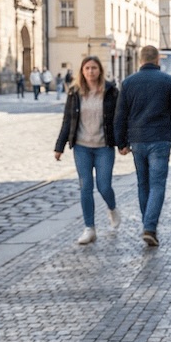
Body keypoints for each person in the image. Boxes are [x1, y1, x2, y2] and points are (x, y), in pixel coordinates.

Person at [115, 45, 171, 247]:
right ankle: (150, 227)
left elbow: (120, 115)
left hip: (137, 140)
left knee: (143, 183)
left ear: (140, 60)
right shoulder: (167, 80)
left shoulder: (128, 82)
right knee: (157, 184)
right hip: (160, 139)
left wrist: (121, 141)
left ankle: (148, 224)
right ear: (157, 60)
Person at [55, 56, 121, 245]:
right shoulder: (75, 92)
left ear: (99, 70)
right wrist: (59, 147)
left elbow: (118, 118)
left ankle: (112, 208)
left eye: (94, 68)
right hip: (82, 146)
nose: (90, 71)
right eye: (87, 68)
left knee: (104, 186)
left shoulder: (110, 91)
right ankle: (89, 228)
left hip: (104, 146)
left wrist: (122, 142)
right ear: (82, 71)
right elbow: (67, 120)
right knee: (85, 187)